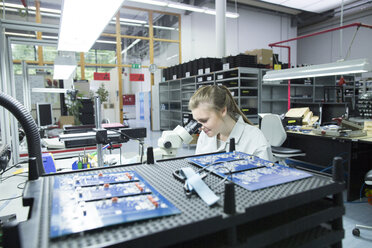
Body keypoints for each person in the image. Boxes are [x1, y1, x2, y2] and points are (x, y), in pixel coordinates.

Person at [189, 85, 273, 161]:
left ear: (223, 111)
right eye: (197, 121)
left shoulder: (255, 139)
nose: (200, 127)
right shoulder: (205, 135)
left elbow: (267, 176)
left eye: (204, 120)